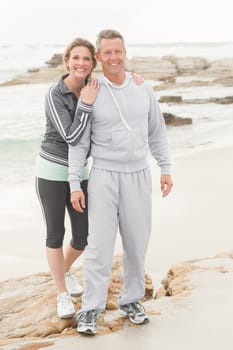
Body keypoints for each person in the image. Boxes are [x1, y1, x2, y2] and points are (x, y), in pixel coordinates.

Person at [69, 29, 173, 335]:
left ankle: (131, 301)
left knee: (136, 243)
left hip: (138, 174)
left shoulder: (144, 88)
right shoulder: (91, 91)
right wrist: (75, 182)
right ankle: (91, 309)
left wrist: (165, 167)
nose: (113, 57)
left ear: (125, 53)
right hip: (103, 175)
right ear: (98, 57)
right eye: (107, 53)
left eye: (119, 51)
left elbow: (157, 132)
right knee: (99, 246)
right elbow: (78, 144)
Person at [35, 37, 99, 319]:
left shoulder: (94, 89)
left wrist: (135, 79)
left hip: (79, 173)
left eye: (86, 59)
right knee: (55, 233)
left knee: (83, 236)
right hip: (51, 171)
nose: (80, 63)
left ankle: (65, 270)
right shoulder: (54, 93)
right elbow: (72, 136)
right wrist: (85, 105)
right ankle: (62, 293)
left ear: (92, 63)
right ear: (67, 61)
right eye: (76, 58)